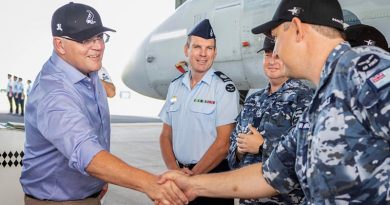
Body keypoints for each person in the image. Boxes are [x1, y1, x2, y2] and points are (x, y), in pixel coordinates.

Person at [159, 0, 390, 204]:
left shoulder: (365, 69)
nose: (275, 50)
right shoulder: (319, 102)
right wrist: (194, 185)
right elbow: (269, 174)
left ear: (298, 29)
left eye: (277, 38)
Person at [20, 3, 187, 205]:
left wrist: (100, 179)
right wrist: (151, 184)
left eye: (99, 37)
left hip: (89, 195)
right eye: (86, 40)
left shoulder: (89, 72)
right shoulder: (53, 92)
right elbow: (87, 154)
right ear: (60, 45)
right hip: (58, 201)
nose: (99, 46)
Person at [158, 19, 240, 205]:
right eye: (197, 47)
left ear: (215, 52)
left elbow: (223, 143)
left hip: (213, 179)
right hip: (180, 175)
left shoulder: (224, 88)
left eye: (209, 48)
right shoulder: (175, 86)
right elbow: (165, 135)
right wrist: (174, 172)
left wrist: (192, 177)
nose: (203, 54)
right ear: (186, 50)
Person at [227, 37, 313, 205]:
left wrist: (262, 146)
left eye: (277, 56)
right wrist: (238, 150)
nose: (271, 61)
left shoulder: (304, 98)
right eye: (267, 55)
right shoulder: (253, 99)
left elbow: (306, 155)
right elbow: (232, 152)